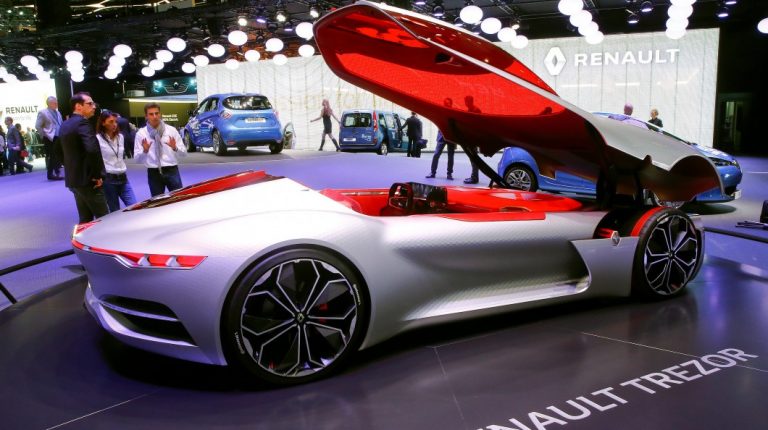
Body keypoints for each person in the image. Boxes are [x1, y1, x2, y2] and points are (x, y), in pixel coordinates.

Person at [59, 92, 109, 223]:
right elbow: (92, 150)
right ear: (78, 106)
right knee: (105, 219)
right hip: (89, 180)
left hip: (74, 179)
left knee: (85, 219)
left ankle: (81, 237)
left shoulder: (65, 124)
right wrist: (97, 175)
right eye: (90, 104)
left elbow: (57, 151)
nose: (94, 106)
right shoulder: (83, 124)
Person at [134, 102, 186, 196]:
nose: (155, 116)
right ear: (146, 116)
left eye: (157, 113)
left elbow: (184, 153)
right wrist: (144, 151)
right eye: (151, 114)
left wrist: (175, 148)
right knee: (157, 202)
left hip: (172, 170)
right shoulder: (141, 134)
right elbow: (137, 159)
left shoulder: (171, 130)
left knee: (179, 199)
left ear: (160, 114)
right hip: (153, 172)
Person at [96, 110, 137, 212]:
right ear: (103, 123)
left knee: (134, 206)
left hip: (123, 177)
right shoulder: (97, 139)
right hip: (109, 179)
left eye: (115, 121)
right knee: (115, 211)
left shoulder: (120, 137)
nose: (114, 124)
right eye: (111, 122)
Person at [36, 96, 64, 180]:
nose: (57, 104)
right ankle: (52, 174)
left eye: (56, 102)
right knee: (53, 155)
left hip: (58, 137)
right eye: (55, 103)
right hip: (50, 137)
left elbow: (60, 123)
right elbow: (38, 126)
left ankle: (55, 173)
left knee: (57, 155)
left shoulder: (58, 112)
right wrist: (44, 135)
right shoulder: (43, 112)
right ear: (49, 103)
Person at [464, 95, 482, 184]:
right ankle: (474, 176)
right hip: (471, 138)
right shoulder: (470, 110)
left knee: (474, 158)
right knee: (473, 158)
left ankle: (474, 178)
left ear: (470, 101)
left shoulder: (475, 110)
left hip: (473, 139)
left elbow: (477, 125)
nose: (465, 103)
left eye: (466, 101)